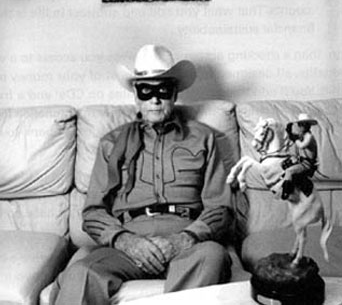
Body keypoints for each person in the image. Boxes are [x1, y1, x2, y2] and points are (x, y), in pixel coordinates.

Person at [55, 44, 234, 305]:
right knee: (82, 273)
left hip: (188, 240)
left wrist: (185, 239)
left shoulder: (204, 138)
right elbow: (93, 212)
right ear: (136, 96)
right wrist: (125, 241)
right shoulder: (111, 143)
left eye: (163, 90)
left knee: (212, 256)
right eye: (146, 91)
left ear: (175, 94)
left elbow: (220, 209)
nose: (155, 99)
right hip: (127, 242)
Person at [281, 113, 319, 199]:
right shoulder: (303, 135)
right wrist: (290, 134)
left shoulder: (309, 136)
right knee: (284, 164)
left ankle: (286, 193)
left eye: (304, 124)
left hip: (307, 163)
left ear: (308, 125)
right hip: (301, 160)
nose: (302, 126)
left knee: (289, 171)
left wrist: (294, 138)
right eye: (300, 124)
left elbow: (302, 145)